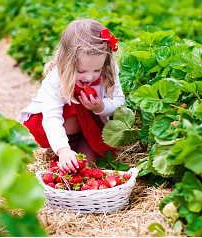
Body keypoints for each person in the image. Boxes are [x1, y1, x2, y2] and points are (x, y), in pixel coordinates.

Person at [21, 19, 125, 174]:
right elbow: (52, 118)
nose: (89, 77)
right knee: (74, 105)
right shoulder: (56, 79)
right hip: (52, 122)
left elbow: (119, 102)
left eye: (97, 70)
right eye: (81, 71)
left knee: (87, 164)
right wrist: (63, 150)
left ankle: (76, 149)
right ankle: (64, 150)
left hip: (90, 122)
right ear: (67, 63)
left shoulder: (109, 70)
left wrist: (101, 106)